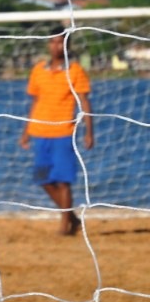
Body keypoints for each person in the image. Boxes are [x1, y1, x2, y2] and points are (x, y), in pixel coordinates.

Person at [19, 25, 95, 235]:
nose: (56, 45)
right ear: (48, 44)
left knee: (63, 180)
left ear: (67, 45)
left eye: (60, 41)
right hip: (39, 132)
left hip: (63, 132)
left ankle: (65, 225)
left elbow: (84, 102)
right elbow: (35, 102)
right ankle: (71, 217)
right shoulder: (38, 70)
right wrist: (25, 132)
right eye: (52, 41)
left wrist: (89, 131)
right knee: (43, 179)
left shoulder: (75, 70)